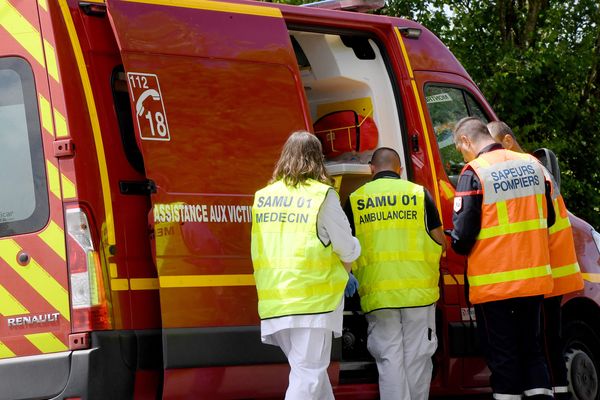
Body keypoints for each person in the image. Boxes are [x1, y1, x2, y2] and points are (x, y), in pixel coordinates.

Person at [450, 117, 556, 400]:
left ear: (466, 142)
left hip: (494, 283)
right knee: (533, 352)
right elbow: (550, 218)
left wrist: (454, 237)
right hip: (532, 280)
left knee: (503, 355)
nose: (463, 154)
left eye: (460, 149)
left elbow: (462, 238)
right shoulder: (533, 165)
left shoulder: (475, 172)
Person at [250, 130, 361, 400]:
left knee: (312, 375)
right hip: (314, 301)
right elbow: (345, 245)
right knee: (308, 376)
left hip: (276, 299)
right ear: (318, 159)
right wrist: (354, 254)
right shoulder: (322, 195)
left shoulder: (263, 196)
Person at [488, 121, 583, 400]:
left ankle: (555, 394)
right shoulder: (535, 167)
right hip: (551, 266)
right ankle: (558, 393)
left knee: (542, 344)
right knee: (548, 342)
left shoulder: (523, 168)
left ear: (506, 141)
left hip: (542, 269)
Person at [345, 147, 446, 400]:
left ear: (371, 169)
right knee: (417, 357)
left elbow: (346, 247)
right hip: (418, 295)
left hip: (378, 296)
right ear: (399, 169)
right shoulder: (419, 194)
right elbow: (439, 240)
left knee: (389, 358)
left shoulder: (355, 200)